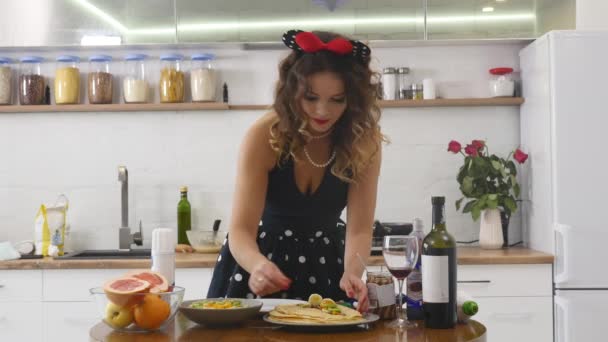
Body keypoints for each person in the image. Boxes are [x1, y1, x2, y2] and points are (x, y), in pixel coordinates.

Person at [207, 29, 386, 312]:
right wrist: (258, 265)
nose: (322, 110)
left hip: (329, 265)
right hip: (261, 263)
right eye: (311, 97)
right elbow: (240, 230)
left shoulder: (363, 140)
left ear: (353, 99)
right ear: (291, 91)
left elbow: (361, 229)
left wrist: (353, 272)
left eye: (337, 99)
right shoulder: (264, 136)